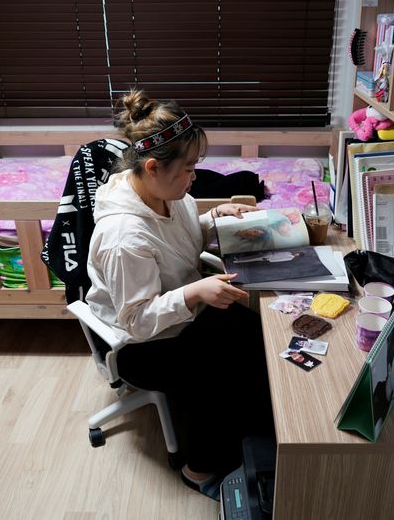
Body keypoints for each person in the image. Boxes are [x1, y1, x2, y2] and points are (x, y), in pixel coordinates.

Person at [84, 89, 274, 500]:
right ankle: (198, 467)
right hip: (143, 343)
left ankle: (260, 434)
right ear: (152, 167)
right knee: (216, 367)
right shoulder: (123, 237)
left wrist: (213, 220)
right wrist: (195, 291)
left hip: (181, 311)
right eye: (188, 169)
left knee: (251, 330)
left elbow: (177, 240)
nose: (193, 178)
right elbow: (136, 320)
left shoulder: (167, 193)